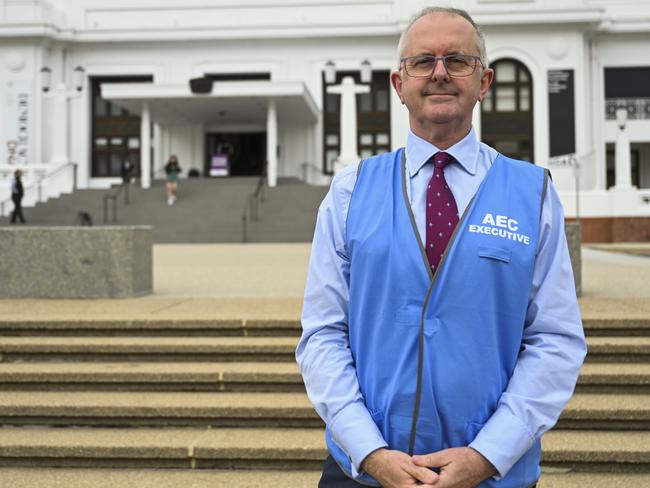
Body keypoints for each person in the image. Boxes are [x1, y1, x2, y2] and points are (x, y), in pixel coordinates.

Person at [297, 7, 587, 488]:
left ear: (485, 80)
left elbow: (554, 339)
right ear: (398, 83)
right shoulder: (349, 192)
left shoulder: (532, 193)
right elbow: (323, 335)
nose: (439, 73)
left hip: (493, 474)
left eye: (457, 60)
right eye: (422, 62)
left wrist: (486, 454)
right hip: (366, 472)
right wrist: (370, 452)